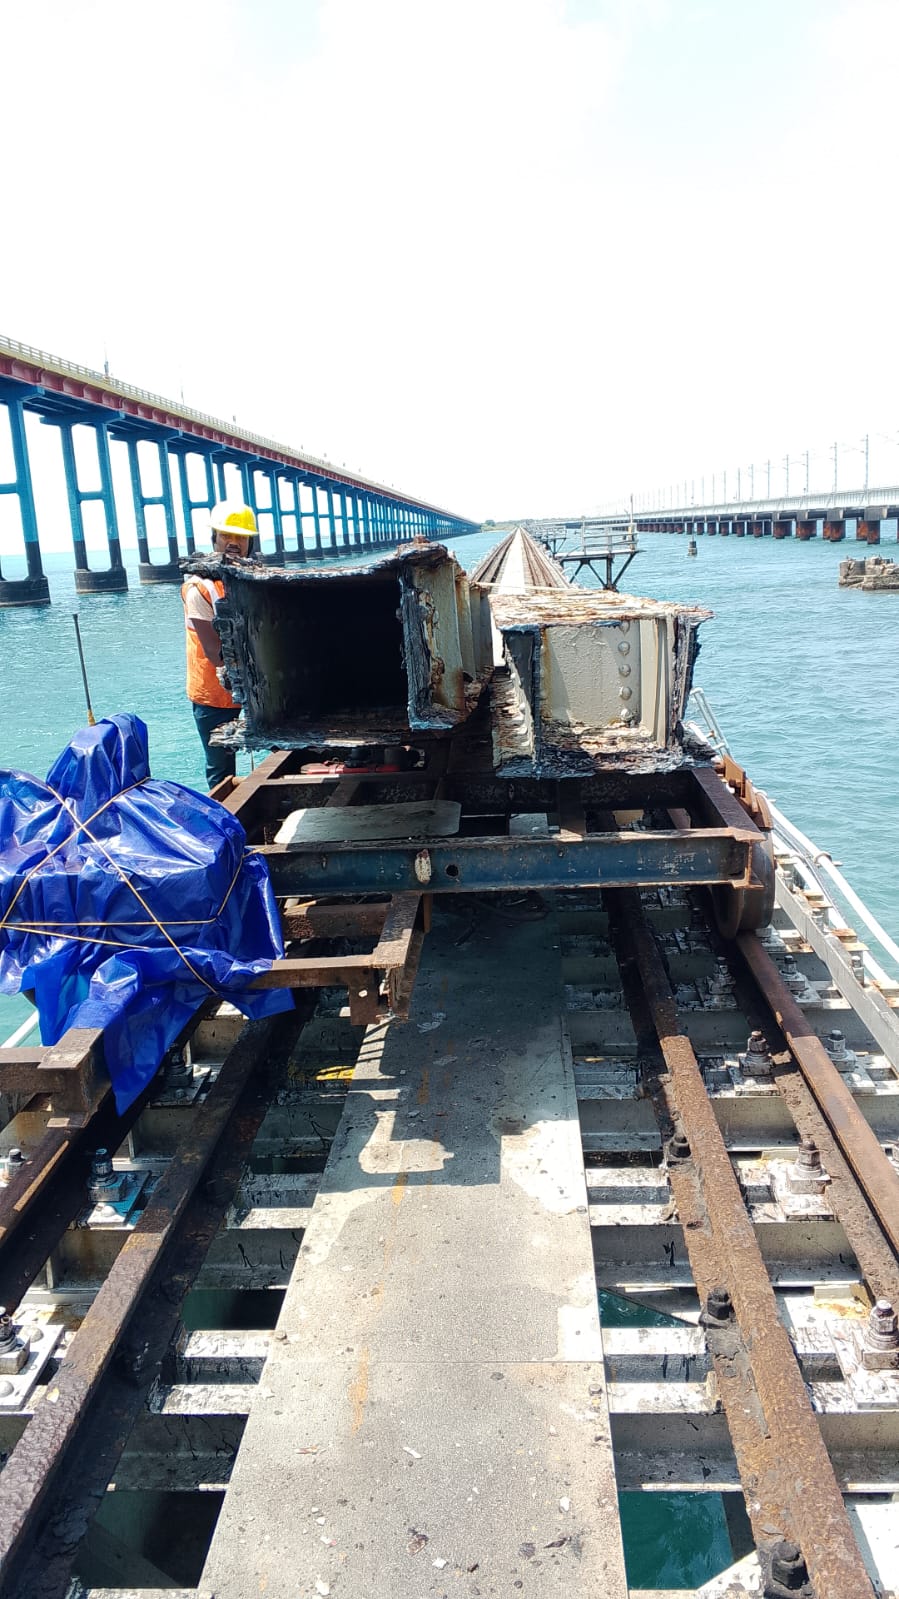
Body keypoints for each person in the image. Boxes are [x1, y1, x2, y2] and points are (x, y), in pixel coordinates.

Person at [181, 501, 256, 790]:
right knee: (220, 767)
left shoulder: (249, 578)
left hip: (252, 689)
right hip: (213, 693)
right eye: (227, 535)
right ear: (215, 538)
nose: (234, 542)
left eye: (241, 537)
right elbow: (216, 655)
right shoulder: (200, 588)